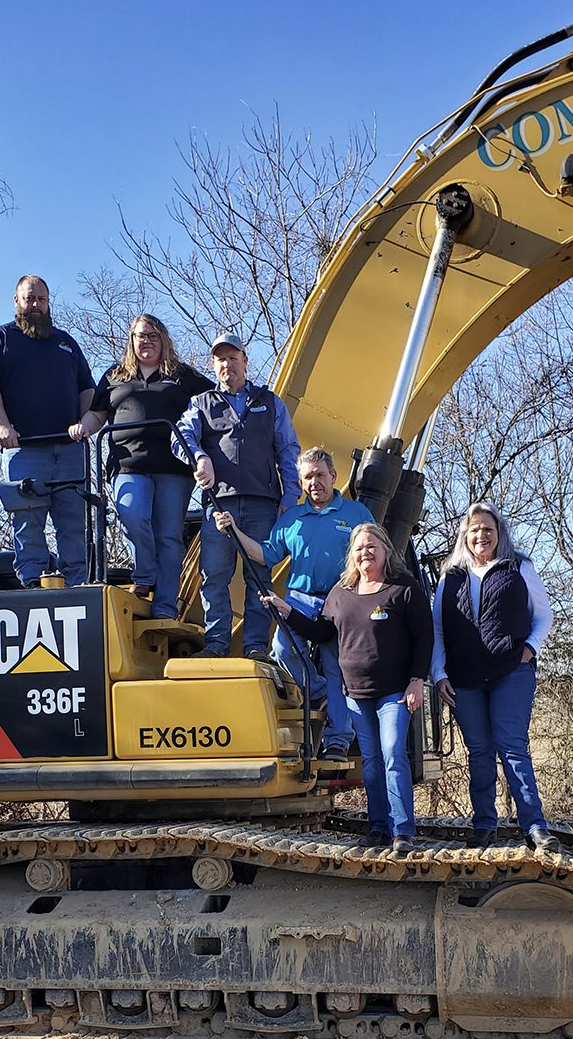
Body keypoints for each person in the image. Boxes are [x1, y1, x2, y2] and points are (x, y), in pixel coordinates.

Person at [263, 522, 433, 853]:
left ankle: (403, 832)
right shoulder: (341, 594)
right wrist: (286, 610)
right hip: (356, 694)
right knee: (371, 761)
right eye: (359, 548)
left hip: (395, 692)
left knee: (393, 753)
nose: (365, 552)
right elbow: (322, 634)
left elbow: (424, 636)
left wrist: (417, 680)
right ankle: (378, 829)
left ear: (385, 550)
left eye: (372, 546)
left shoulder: (404, 588)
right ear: (351, 556)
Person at [213, 446, 373, 759]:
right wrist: (233, 530)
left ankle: (338, 740)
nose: (315, 482)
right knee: (283, 651)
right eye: (308, 477)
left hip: (341, 600)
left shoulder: (356, 515)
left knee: (337, 666)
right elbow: (264, 554)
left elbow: (373, 553)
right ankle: (319, 691)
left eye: (320, 475)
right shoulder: (291, 519)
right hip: (298, 600)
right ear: (301, 483)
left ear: (333, 477)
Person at [431, 502, 559, 854]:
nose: (481, 535)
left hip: (511, 672)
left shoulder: (519, 567)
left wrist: (530, 649)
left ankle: (534, 825)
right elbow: (438, 629)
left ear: (498, 533)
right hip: (465, 678)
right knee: (480, 752)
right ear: (465, 536)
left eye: (487, 528)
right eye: (474, 529)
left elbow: (543, 616)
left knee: (512, 746)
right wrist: (439, 673)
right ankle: (484, 824)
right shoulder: (451, 576)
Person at [72, 314, 212, 618]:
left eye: (152, 335)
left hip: (173, 467)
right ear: (131, 340)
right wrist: (82, 427)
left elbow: (214, 403)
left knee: (168, 535)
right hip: (127, 465)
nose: (146, 341)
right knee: (132, 515)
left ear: (163, 340)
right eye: (140, 335)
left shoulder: (182, 375)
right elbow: (97, 414)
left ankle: (164, 607)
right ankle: (145, 573)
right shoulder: (115, 375)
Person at [174, 334, 300, 659]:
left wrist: (291, 497)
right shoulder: (201, 403)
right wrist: (200, 458)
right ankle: (215, 646)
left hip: (263, 505)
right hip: (219, 506)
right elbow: (181, 435)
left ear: (245, 360)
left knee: (260, 576)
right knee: (213, 575)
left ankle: (256, 646)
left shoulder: (270, 402)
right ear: (213, 365)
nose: (227, 364)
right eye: (220, 359)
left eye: (233, 357)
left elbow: (288, 450)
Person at [0, 275, 95, 588]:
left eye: (41, 299)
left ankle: (76, 585)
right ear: (17, 301)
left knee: (73, 524)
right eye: (29, 299)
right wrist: (1, 425)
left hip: (69, 451)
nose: (36, 305)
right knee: (28, 523)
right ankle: (32, 583)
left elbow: (87, 389)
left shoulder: (66, 343)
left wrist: (84, 421)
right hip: (24, 450)